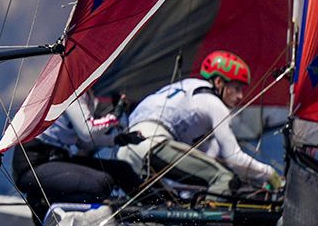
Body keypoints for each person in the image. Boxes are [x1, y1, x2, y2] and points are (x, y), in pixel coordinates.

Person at [115, 50, 282, 197]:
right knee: (224, 178)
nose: (240, 96)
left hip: (125, 153)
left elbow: (203, 157)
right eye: (237, 88)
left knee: (166, 203)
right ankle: (209, 220)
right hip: (153, 145)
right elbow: (233, 157)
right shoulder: (215, 105)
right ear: (219, 82)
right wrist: (269, 174)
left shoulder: (188, 86)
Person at [12, 87, 143, 222]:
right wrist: (114, 116)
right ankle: (45, 201)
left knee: (121, 170)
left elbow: (84, 143)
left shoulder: (88, 98)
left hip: (59, 158)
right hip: (34, 166)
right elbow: (88, 131)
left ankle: (152, 206)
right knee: (101, 184)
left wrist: (118, 139)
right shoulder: (72, 90)